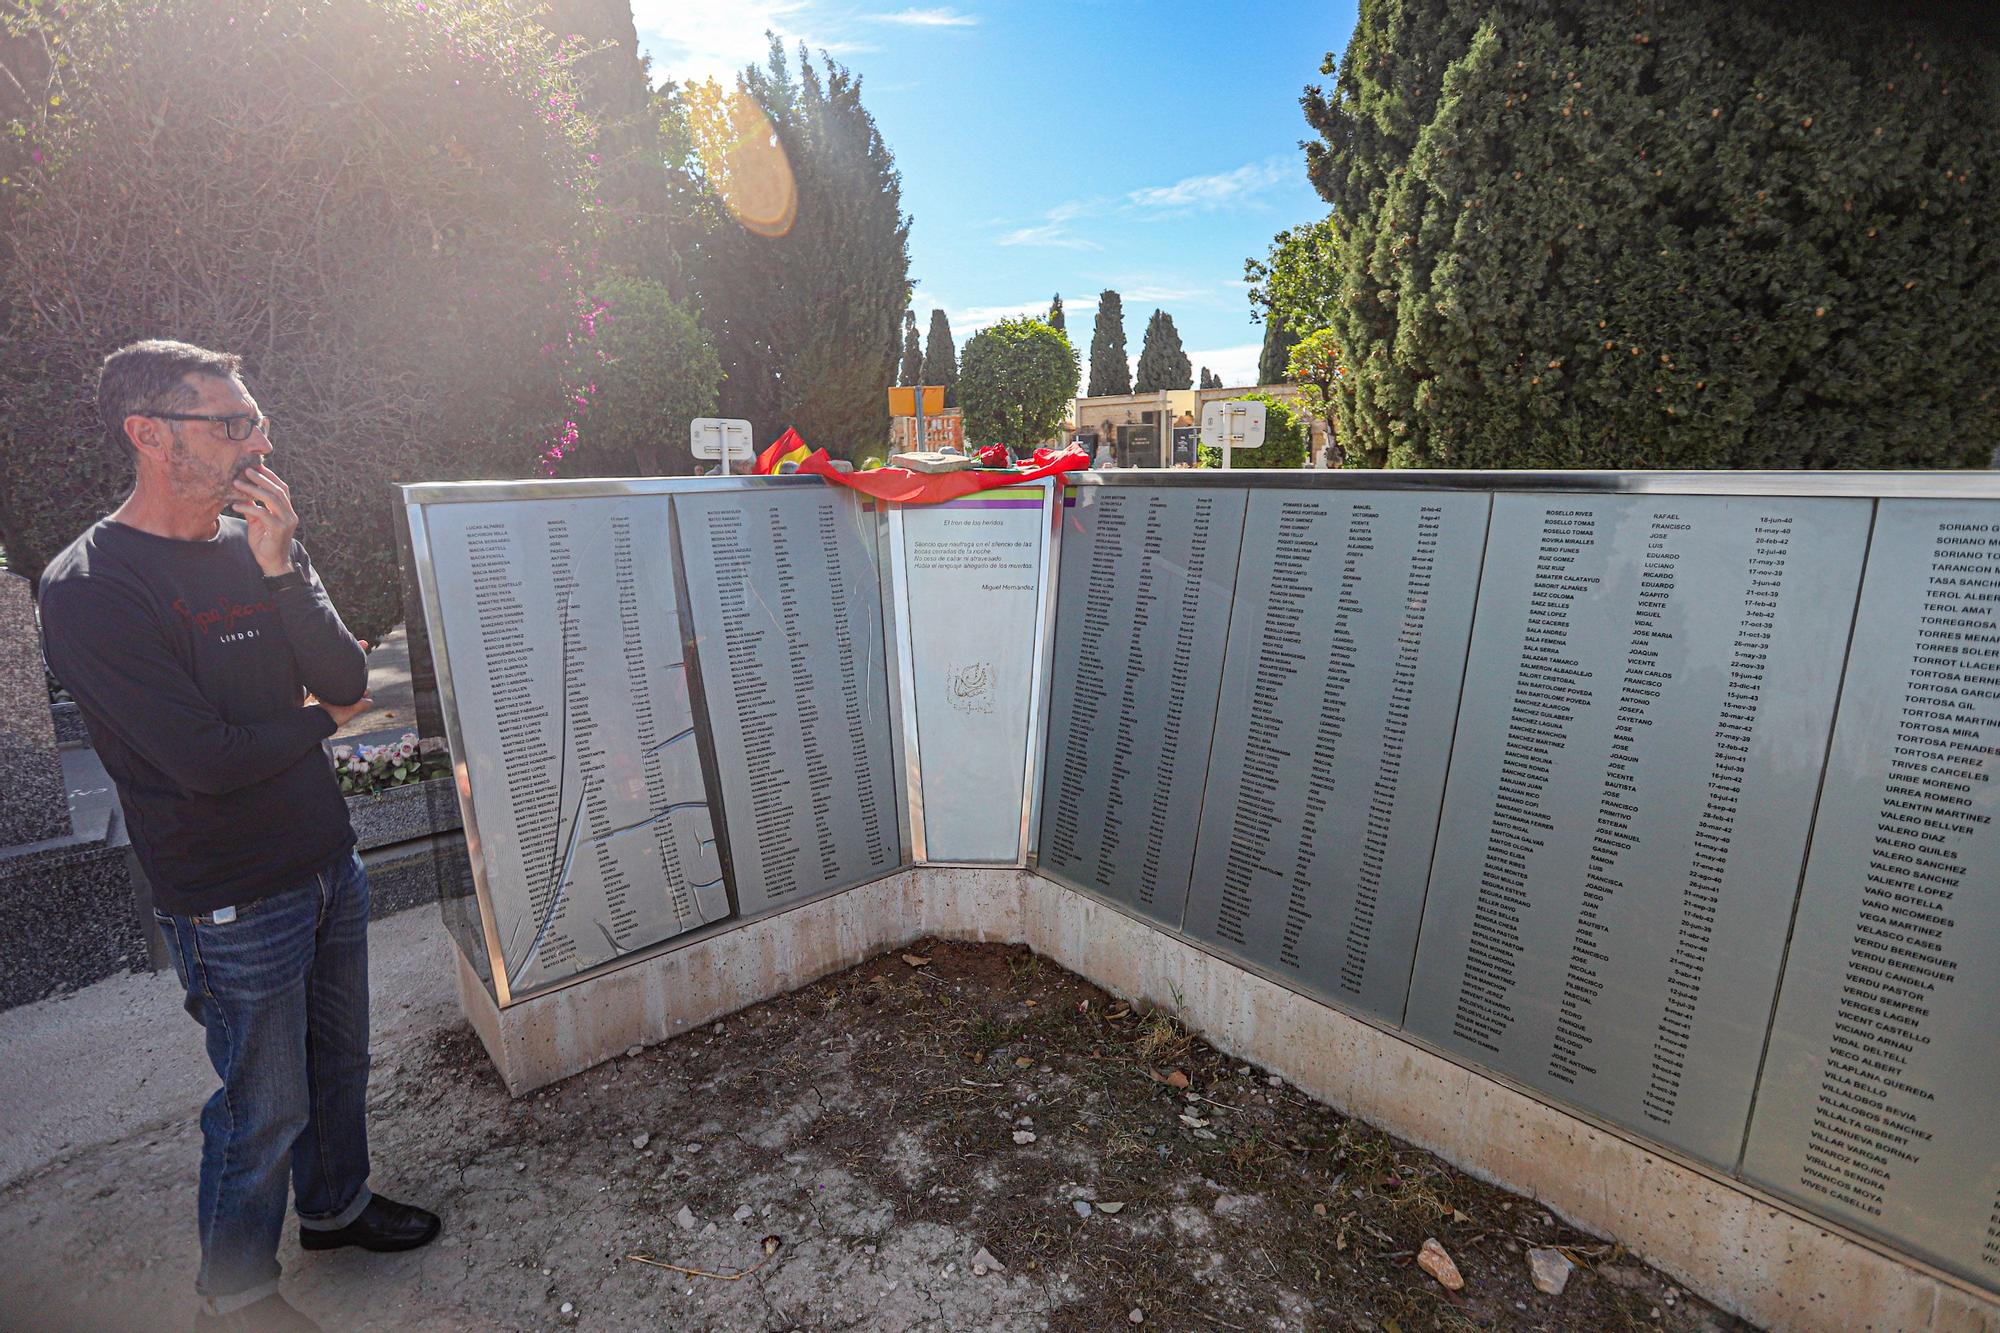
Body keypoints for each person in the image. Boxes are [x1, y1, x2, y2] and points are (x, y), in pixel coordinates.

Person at [38, 341, 441, 1332]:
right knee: (263, 1106)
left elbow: (347, 679)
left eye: (256, 419)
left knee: (340, 1064)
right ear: (148, 433)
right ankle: (237, 1293)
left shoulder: (260, 539)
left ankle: (336, 1210)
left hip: (323, 858)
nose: (260, 441)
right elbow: (206, 761)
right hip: (227, 895)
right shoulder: (91, 584)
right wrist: (315, 724)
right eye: (232, 424)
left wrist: (278, 571)